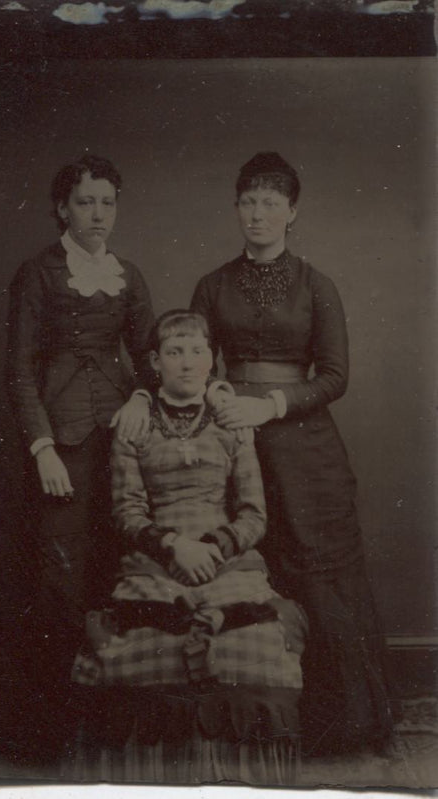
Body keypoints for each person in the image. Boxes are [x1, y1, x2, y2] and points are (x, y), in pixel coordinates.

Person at [190, 151, 395, 756]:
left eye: (271, 203)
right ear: (237, 208)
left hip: (304, 448)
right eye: (248, 202)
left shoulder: (316, 284)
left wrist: (272, 405)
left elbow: (334, 377)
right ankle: (262, 724)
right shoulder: (212, 284)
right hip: (230, 440)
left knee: (318, 568)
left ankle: (344, 726)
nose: (258, 214)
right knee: (251, 566)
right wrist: (219, 390)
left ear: (292, 212)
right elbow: (192, 358)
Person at [70, 311, 307, 784]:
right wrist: (174, 546)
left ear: (211, 359)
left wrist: (213, 548)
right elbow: (127, 512)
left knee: (254, 641)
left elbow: (254, 514)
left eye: (197, 350)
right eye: (175, 352)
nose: (187, 362)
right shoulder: (134, 425)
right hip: (155, 558)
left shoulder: (232, 422)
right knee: (140, 645)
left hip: (228, 558)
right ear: (155, 362)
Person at [5, 154, 155, 757]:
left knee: (117, 572)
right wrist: (41, 445)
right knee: (60, 581)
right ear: (62, 208)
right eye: (86, 202)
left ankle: (112, 729)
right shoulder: (38, 273)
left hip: (118, 440)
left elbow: (150, 352)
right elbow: (18, 370)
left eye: (107, 202)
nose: (98, 214)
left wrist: (142, 393)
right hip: (60, 445)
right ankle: (51, 735)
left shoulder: (129, 275)